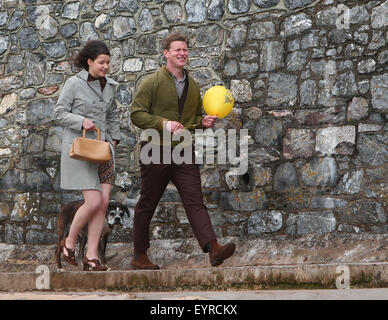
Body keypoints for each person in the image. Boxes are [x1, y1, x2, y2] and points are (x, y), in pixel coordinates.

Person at [130, 32, 236, 269]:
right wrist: (163, 123)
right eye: (177, 49)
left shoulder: (193, 85)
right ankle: (139, 256)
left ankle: (213, 249)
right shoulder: (152, 82)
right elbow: (136, 114)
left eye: (185, 49)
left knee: (194, 201)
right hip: (155, 150)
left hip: (184, 152)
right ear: (166, 53)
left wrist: (203, 122)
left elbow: (193, 119)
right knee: (148, 202)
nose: (182, 53)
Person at [53, 40, 120, 271]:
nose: (105, 66)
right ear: (89, 61)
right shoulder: (73, 84)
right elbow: (58, 113)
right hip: (82, 151)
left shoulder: (111, 85)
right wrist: (81, 121)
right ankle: (69, 243)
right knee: (92, 202)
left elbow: (112, 115)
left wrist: (113, 138)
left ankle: (91, 257)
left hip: (104, 152)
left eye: (108, 63)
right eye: (101, 62)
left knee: (102, 204)